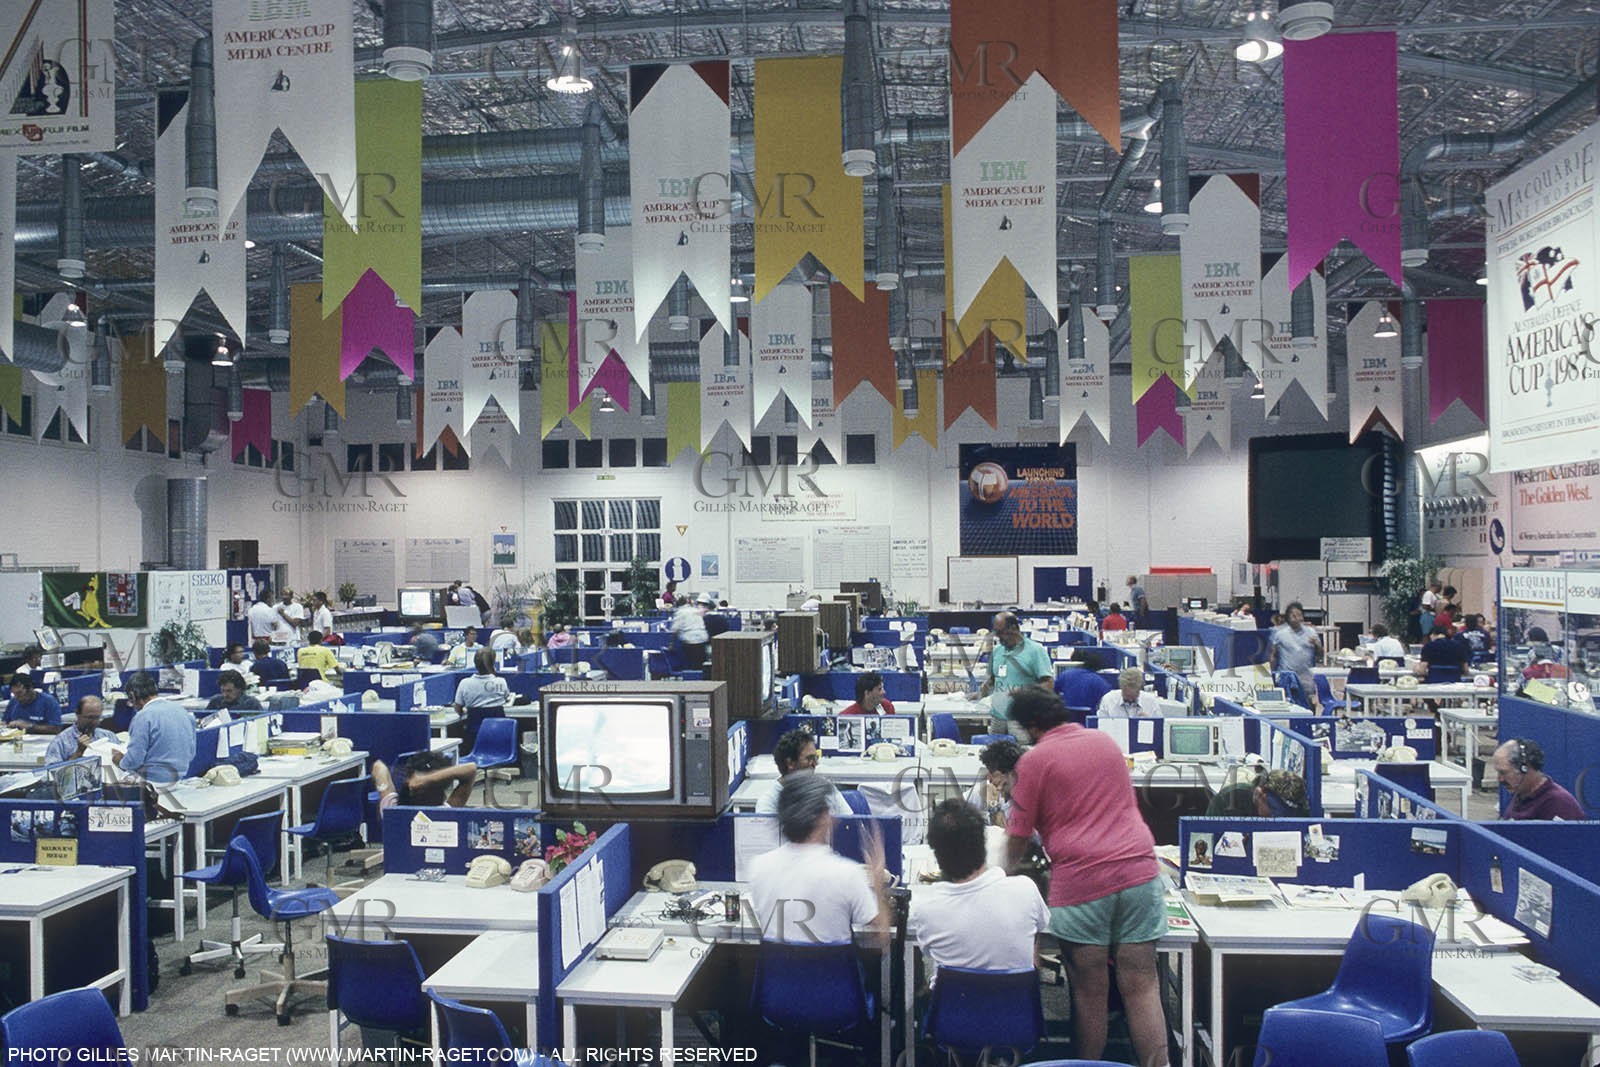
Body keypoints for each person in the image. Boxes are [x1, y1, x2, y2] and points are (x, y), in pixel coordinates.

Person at [1004, 688, 1169, 1067]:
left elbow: (1017, 837)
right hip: (1140, 873)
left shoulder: (1033, 761)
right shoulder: (1105, 743)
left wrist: (998, 878)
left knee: (1090, 993)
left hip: (1083, 882)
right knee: (1143, 986)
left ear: (1031, 725)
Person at [910, 799, 1049, 981]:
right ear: (983, 842)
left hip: (954, 999)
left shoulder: (926, 909)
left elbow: (928, 951)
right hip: (1018, 999)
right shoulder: (1026, 890)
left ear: (937, 855)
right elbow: (1036, 933)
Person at [747, 773, 891, 948]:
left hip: (774, 966)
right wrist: (877, 881)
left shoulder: (758, 868)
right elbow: (881, 938)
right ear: (822, 819)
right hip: (836, 967)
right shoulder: (847, 875)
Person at [978, 611, 1053, 736]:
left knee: (1022, 747)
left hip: (1021, 718)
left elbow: (1048, 684)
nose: (998, 637)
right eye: (996, 633)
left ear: (1013, 628)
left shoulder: (1035, 650)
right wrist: (982, 691)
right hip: (998, 716)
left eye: (1000, 632)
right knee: (995, 747)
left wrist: (1026, 691)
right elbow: (994, 678)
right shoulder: (998, 650)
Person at [115, 672, 197, 786]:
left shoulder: (143, 716)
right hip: (178, 779)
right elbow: (191, 753)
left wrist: (120, 761)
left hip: (152, 782)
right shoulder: (182, 711)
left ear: (132, 696)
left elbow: (134, 760)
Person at [755, 729, 852, 816]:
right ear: (790, 763)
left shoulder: (826, 789)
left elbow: (850, 823)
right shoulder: (769, 801)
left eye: (816, 757)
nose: (815, 764)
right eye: (810, 758)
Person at [1495, 739, 1586, 820]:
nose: (1500, 779)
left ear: (1525, 768)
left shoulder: (1559, 804)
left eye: (1504, 773)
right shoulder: (1521, 795)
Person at [373, 751, 479, 808]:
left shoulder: (391, 808)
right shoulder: (447, 813)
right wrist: (427, 779)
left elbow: (379, 767)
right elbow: (471, 769)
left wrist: (418, 779)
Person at [965, 737, 1024, 826]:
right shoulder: (985, 789)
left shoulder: (1027, 799)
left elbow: (1008, 833)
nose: (989, 779)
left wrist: (993, 805)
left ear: (1011, 774)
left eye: (994, 774)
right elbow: (954, 811)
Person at [1269, 601, 1321, 702]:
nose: (1297, 618)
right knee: (1288, 703)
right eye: (1294, 615)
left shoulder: (1311, 632)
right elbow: (1273, 655)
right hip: (1287, 676)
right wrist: (1271, 673)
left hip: (1306, 677)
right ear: (1288, 617)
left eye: (1299, 615)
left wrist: (1316, 645)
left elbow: (1321, 654)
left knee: (1308, 703)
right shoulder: (1279, 634)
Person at [1207, 768, 1309, 818]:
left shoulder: (1297, 807)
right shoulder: (1226, 800)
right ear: (1259, 794)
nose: (1276, 820)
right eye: (1274, 811)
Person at [44, 696, 116, 765]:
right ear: (77, 714)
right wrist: (78, 753)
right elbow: (52, 771)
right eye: (90, 717)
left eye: (97, 717)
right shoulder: (61, 741)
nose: (94, 721)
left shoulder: (109, 736)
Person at [454, 649, 511, 717]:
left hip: (474, 723)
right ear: (493, 664)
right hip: (498, 722)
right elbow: (507, 699)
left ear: (475, 664)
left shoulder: (464, 683)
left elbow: (458, 708)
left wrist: (465, 711)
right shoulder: (500, 682)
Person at [1096, 667, 1162, 718]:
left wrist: (1150, 721)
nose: (1130, 699)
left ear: (1139, 689)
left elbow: (1159, 727)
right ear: (1121, 688)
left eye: (1134, 696)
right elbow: (1101, 727)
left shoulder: (1151, 702)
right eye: (1127, 695)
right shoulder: (1108, 700)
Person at [671, 595, 710, 669]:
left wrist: (671, 644)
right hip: (702, 638)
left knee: (691, 664)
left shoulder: (680, 612)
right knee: (701, 663)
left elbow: (675, 630)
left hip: (690, 640)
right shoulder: (695, 610)